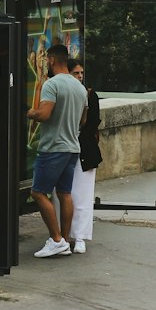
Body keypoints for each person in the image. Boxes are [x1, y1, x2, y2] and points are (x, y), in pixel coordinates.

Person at [27, 43, 87, 259]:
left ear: (52, 60)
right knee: (64, 194)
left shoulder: (52, 84)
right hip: (72, 147)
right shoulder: (79, 87)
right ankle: (65, 240)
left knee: (38, 193)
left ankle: (56, 239)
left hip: (53, 147)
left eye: (47, 60)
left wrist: (30, 112)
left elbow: (44, 114)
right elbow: (83, 119)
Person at [69, 61, 102, 255]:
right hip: (67, 147)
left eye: (81, 72)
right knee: (64, 194)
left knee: (82, 195)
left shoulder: (90, 95)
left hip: (84, 150)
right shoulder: (64, 93)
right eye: (75, 73)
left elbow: (93, 122)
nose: (80, 76)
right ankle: (65, 234)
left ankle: (80, 237)